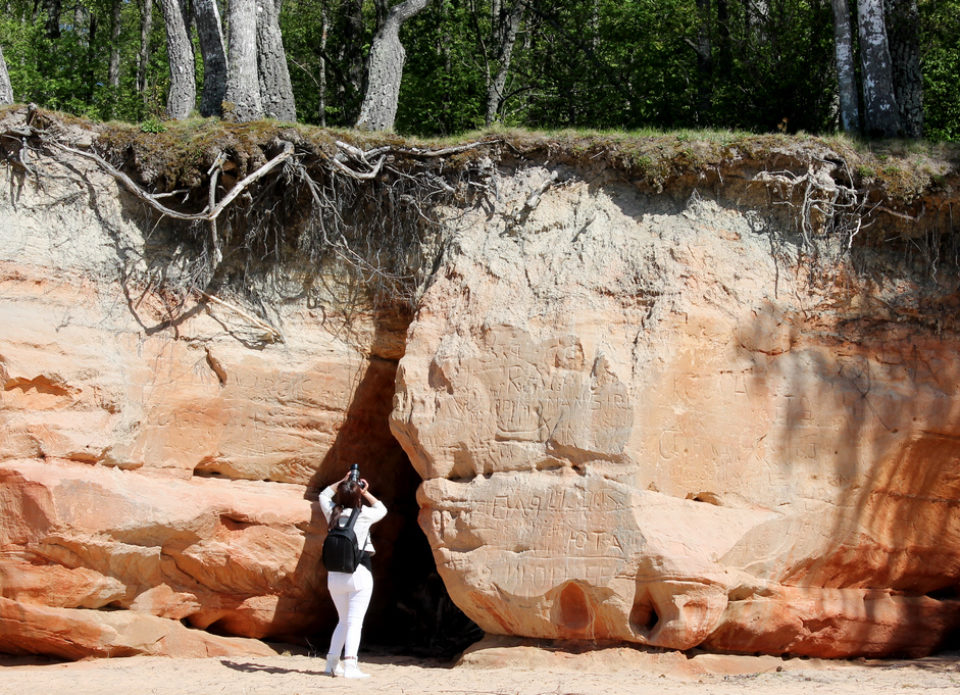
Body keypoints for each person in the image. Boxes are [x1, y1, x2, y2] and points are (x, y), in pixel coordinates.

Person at [318, 467, 387, 679]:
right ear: (357, 496)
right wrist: (365, 492)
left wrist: (342, 481)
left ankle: (331, 665)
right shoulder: (364, 515)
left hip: (334, 576)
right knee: (355, 621)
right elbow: (382, 509)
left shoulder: (333, 512)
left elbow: (323, 495)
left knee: (343, 620)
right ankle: (350, 666)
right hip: (359, 574)